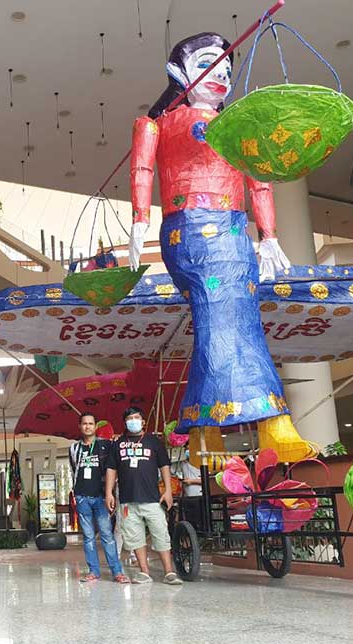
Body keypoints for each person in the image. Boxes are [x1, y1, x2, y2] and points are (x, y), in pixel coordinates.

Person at [127, 33, 318, 465]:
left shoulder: (238, 126)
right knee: (225, 316)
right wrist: (139, 220)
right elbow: (141, 169)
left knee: (229, 320)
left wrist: (269, 236)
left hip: (235, 231)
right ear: (178, 72)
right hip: (190, 230)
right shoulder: (155, 125)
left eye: (228, 68)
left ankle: (203, 431)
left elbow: (258, 179)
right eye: (208, 64)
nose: (222, 75)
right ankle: (273, 423)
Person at [105, 407, 182, 585]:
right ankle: (144, 572)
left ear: (143, 421)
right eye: (129, 418)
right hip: (127, 500)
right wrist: (109, 493)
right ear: (125, 423)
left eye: (136, 417)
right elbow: (111, 469)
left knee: (161, 534)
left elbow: (164, 466)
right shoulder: (118, 444)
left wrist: (168, 490)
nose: (133, 421)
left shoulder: (153, 442)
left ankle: (169, 572)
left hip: (152, 499)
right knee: (134, 537)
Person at [69, 412, 129, 584]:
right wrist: (76, 493)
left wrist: (111, 493)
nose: (87, 426)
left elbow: (113, 468)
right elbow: (74, 470)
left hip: (101, 496)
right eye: (84, 423)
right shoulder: (74, 448)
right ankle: (93, 571)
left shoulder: (106, 445)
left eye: (90, 423)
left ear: (96, 427)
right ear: (80, 426)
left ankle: (117, 572)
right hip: (82, 497)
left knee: (107, 535)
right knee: (88, 537)